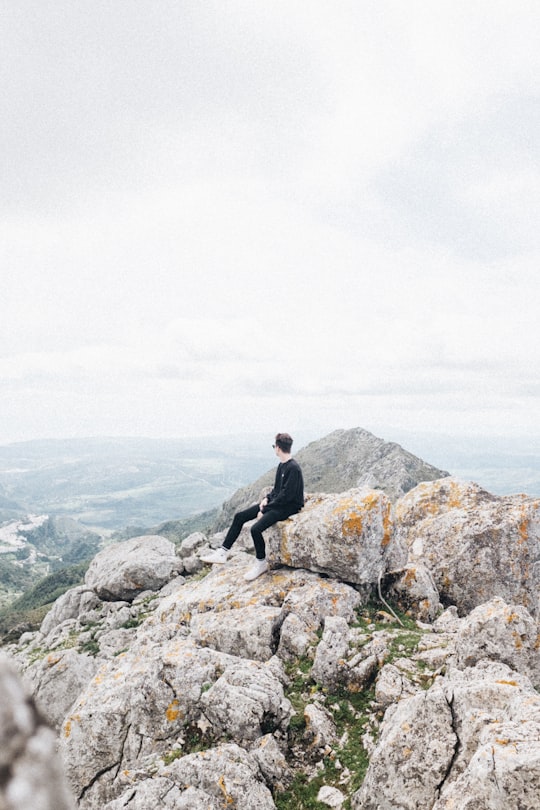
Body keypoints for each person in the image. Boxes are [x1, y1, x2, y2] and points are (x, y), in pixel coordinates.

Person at [200, 432, 304, 581]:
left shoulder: (293, 468)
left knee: (255, 529)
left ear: (278, 448)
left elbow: (287, 497)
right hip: (277, 503)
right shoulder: (282, 465)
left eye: (274, 445)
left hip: (288, 507)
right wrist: (266, 500)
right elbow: (276, 490)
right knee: (239, 517)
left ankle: (261, 563)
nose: (274, 448)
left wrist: (265, 509)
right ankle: (223, 552)